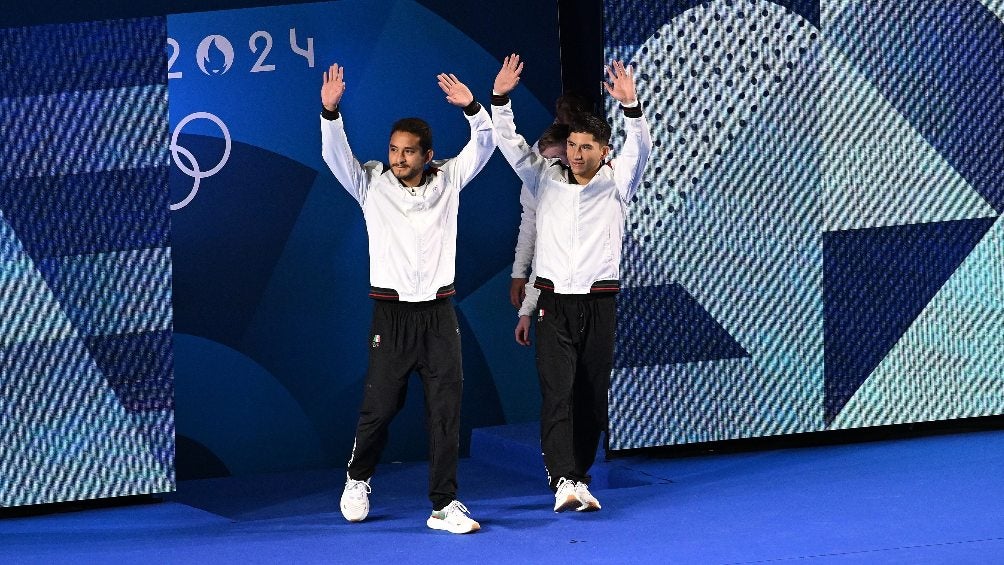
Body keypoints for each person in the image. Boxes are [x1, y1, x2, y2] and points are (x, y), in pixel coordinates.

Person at [319, 62, 495, 534]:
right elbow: (336, 157)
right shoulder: (371, 185)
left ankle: (444, 505)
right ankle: (357, 479)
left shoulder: (449, 180)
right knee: (380, 409)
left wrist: (474, 109)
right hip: (391, 316)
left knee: (445, 412)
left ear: (427, 155)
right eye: (394, 149)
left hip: (439, 315)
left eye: (408, 151)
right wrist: (330, 112)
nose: (398, 158)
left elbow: (484, 144)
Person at [493, 54, 652, 512]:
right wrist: (500, 98)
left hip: (599, 305)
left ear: (605, 151)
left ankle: (578, 476)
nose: (577, 154)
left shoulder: (618, 182)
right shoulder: (544, 178)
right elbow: (509, 143)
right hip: (554, 304)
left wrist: (631, 107)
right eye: (573, 145)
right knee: (557, 393)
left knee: (591, 397)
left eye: (587, 147)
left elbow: (640, 148)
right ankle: (562, 477)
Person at [509, 122, 571, 308]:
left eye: (556, 160)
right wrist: (520, 273)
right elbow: (531, 221)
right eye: (547, 161)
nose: (551, 167)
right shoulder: (541, 161)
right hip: (552, 288)